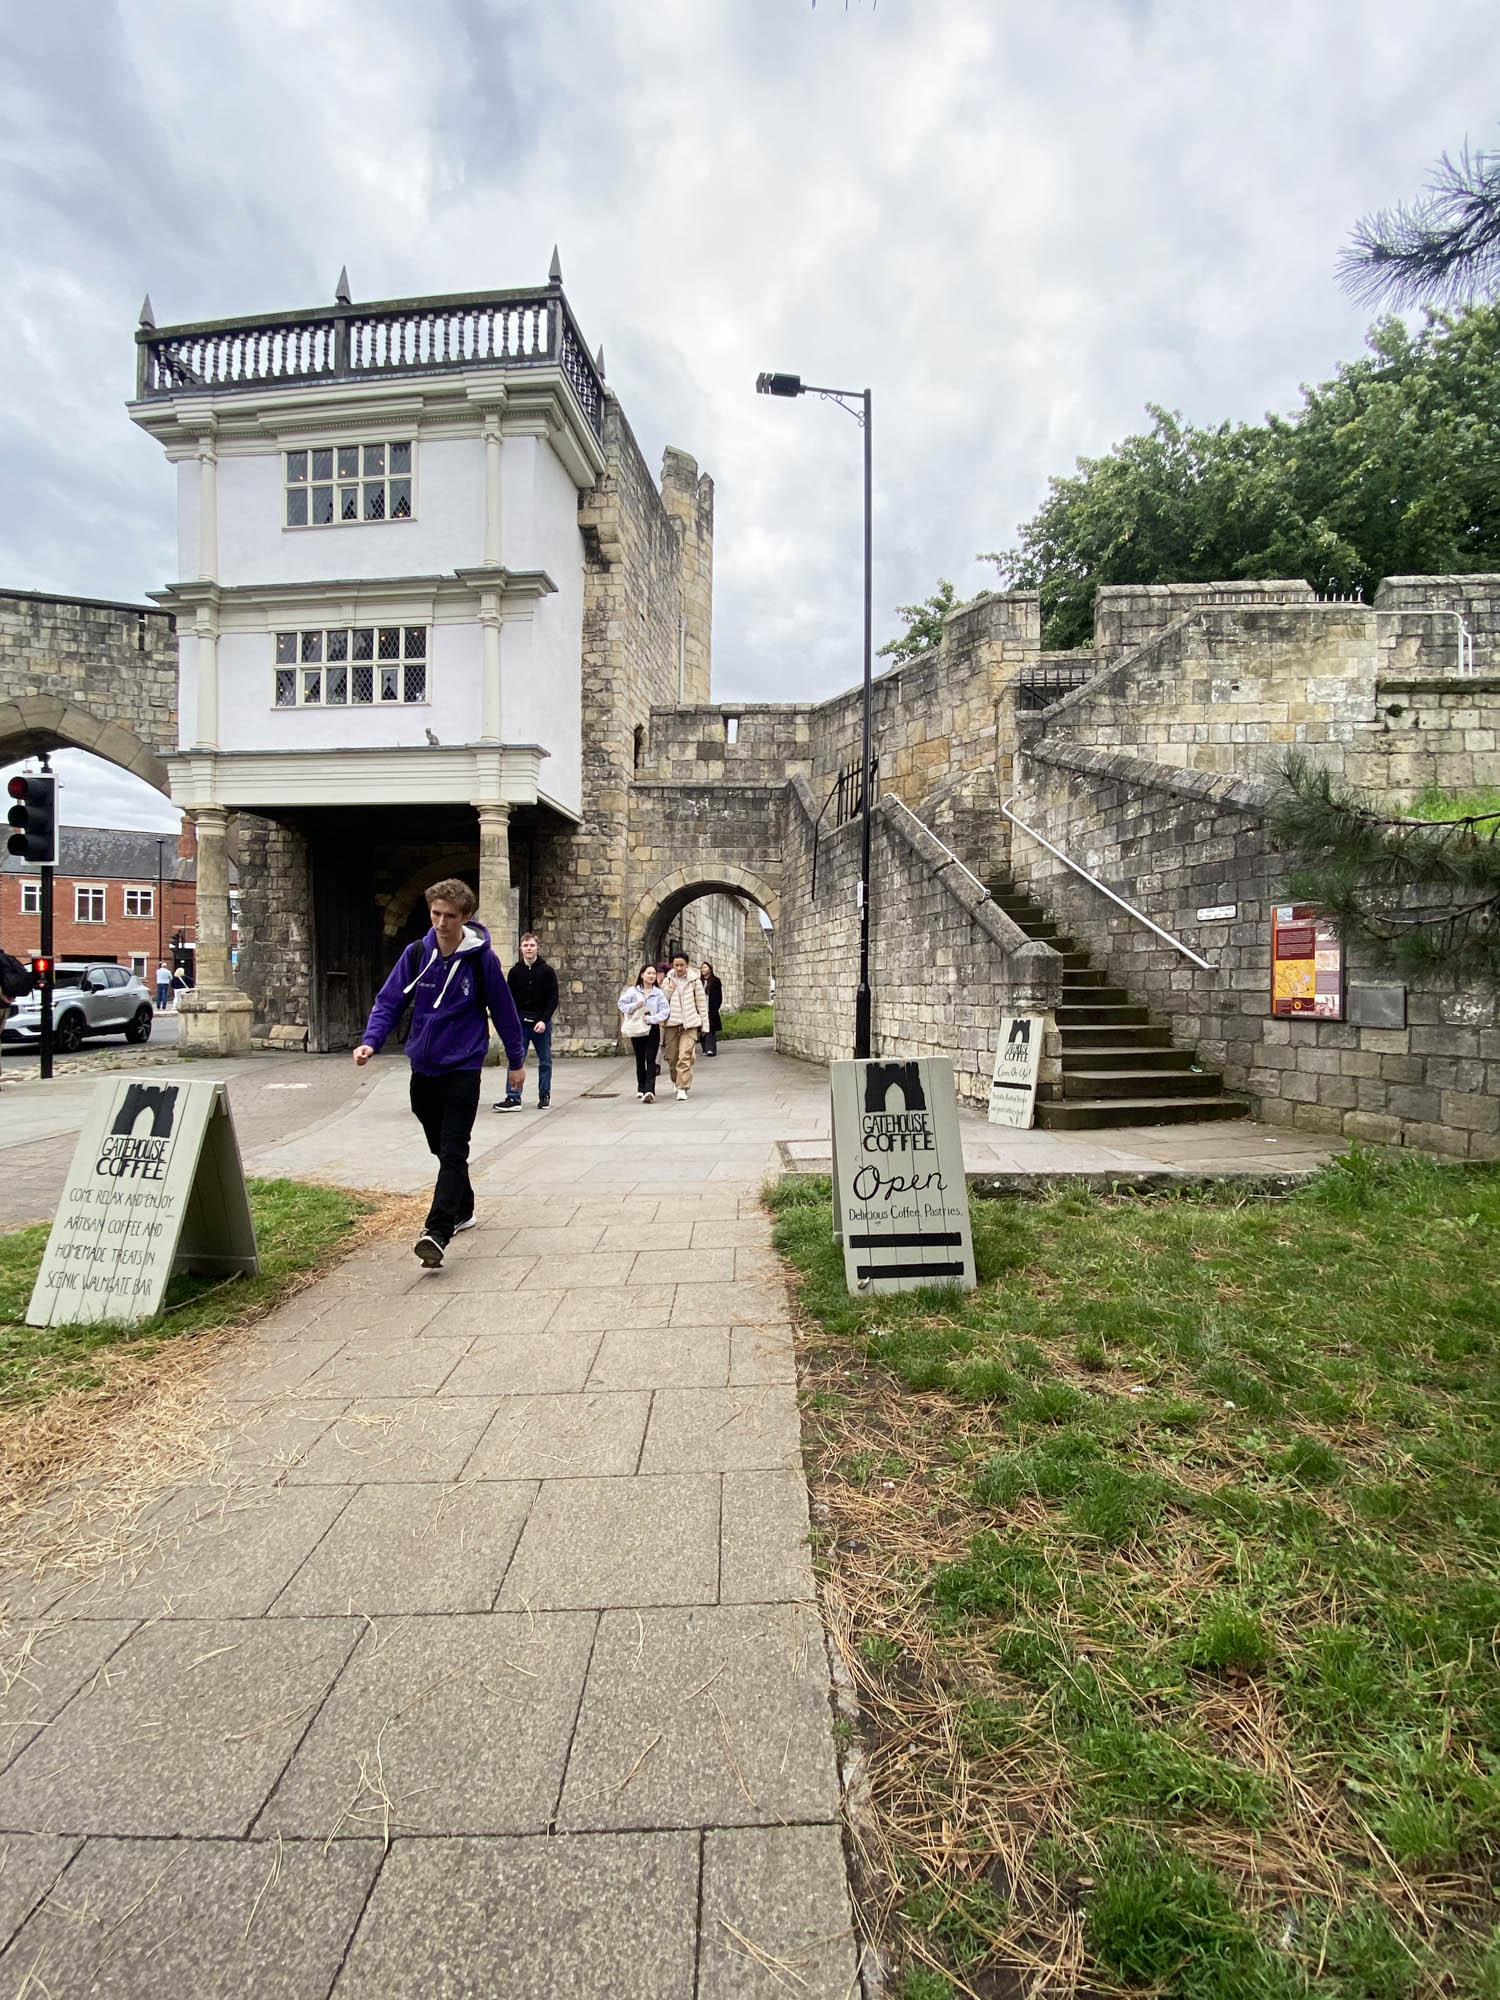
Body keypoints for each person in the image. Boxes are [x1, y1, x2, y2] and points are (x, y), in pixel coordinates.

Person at [353, 878, 525, 1269]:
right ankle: (463, 1207)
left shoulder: (482, 960)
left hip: (463, 1066)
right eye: (435, 914)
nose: (441, 922)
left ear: (465, 916)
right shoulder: (417, 954)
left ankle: (438, 1231)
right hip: (424, 1066)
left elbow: (504, 1011)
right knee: (440, 1146)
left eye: (450, 916)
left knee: (453, 1148)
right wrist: (371, 1041)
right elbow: (389, 1000)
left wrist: (516, 1063)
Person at [496, 931, 559, 1112]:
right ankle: (513, 1097)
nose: (529, 949)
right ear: (521, 948)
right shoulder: (515, 972)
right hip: (521, 1023)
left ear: (537, 947)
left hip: (541, 1023)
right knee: (516, 1059)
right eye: (526, 945)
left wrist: (544, 1020)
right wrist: (514, 1020)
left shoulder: (547, 971)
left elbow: (553, 998)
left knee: (545, 1060)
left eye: (532, 945)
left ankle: (544, 1094)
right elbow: (510, 999)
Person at [618, 962, 669, 1102]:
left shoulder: (658, 993)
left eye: (654, 974)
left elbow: (665, 1011)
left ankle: (649, 1090)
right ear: (642, 975)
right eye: (649, 973)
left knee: (651, 1058)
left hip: (652, 1028)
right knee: (640, 1058)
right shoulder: (633, 991)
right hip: (637, 1029)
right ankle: (641, 1087)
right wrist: (635, 1005)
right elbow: (621, 1005)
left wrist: (652, 1018)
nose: (652, 976)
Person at [661, 953, 708, 1101]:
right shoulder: (668, 980)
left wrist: (705, 1025)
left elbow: (701, 1003)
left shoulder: (694, 981)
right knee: (671, 1057)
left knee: (684, 1055)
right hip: (672, 1024)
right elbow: (661, 1002)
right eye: (676, 965)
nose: (679, 968)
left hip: (690, 1024)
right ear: (673, 966)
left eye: (682, 965)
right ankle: (676, 1080)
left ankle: (683, 1087)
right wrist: (668, 990)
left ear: (687, 965)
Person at [699, 960, 723, 1056]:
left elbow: (719, 996)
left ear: (710, 969)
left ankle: (711, 1049)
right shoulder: (698, 981)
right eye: (702, 967)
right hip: (701, 1008)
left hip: (711, 1008)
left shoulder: (715, 981)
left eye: (705, 967)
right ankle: (704, 1048)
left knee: (711, 1029)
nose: (703, 969)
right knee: (702, 1029)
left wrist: (715, 1007)